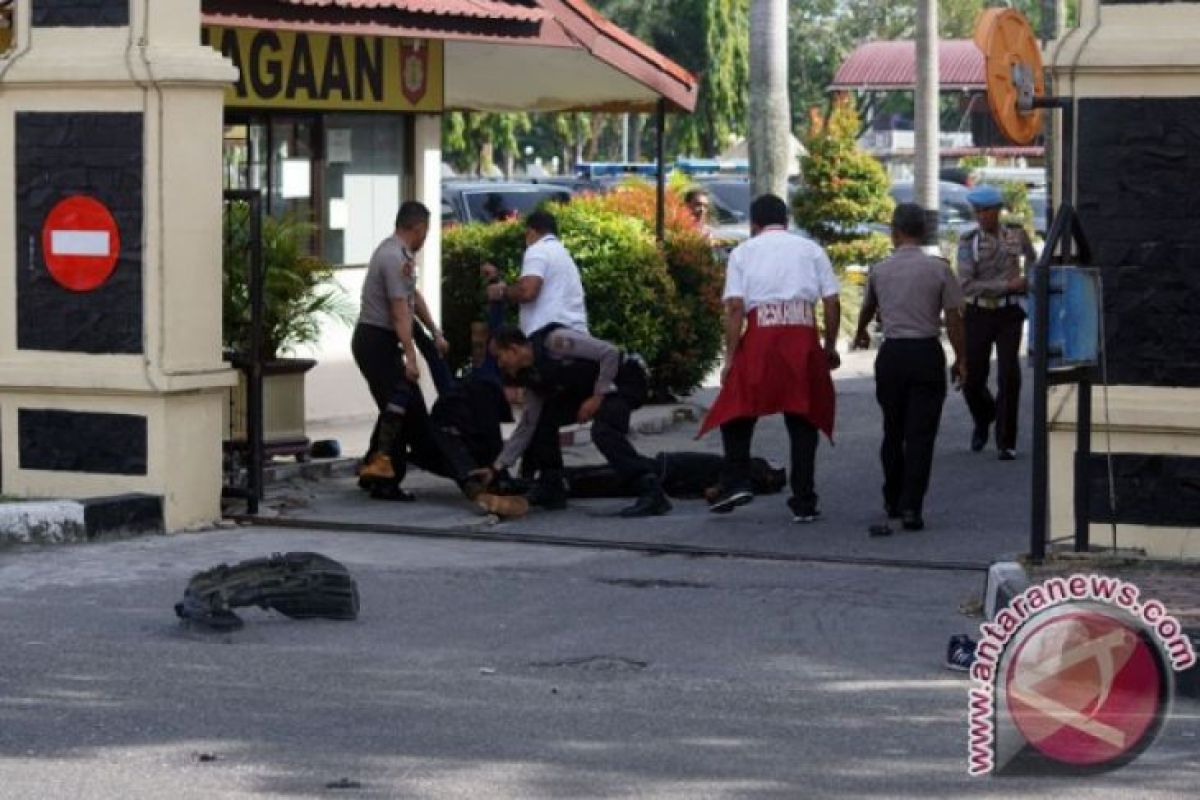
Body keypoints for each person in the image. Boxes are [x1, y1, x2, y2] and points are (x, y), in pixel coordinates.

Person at [698, 193, 840, 523]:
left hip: (762, 334)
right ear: (786, 221)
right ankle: (804, 499)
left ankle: (736, 480)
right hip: (802, 335)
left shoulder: (743, 253)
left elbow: (735, 308)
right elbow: (832, 303)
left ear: (754, 225)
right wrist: (829, 346)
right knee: (802, 418)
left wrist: (730, 358)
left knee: (736, 411)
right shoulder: (811, 249)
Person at [473, 325, 671, 518]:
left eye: (499, 356)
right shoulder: (532, 376)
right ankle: (552, 487)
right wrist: (496, 467)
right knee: (541, 422)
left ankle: (651, 490)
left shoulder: (555, 342)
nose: (499, 364)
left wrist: (598, 396)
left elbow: (610, 353)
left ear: (514, 349)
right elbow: (527, 425)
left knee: (604, 431)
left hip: (624, 380)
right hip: (592, 392)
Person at [853, 203, 967, 534]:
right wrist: (963, 359)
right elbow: (955, 319)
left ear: (895, 231)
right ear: (922, 232)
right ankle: (912, 507)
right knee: (921, 435)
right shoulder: (940, 269)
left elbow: (867, 308)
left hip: (892, 355)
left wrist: (860, 332)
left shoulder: (880, 269)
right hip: (925, 353)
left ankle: (892, 497)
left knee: (893, 429)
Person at [352, 201, 447, 499]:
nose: (426, 239)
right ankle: (385, 480)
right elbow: (399, 312)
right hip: (375, 342)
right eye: (426, 232)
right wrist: (411, 357)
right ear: (416, 228)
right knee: (401, 408)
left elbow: (412, 297)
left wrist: (434, 330)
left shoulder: (400, 255)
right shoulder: (393, 257)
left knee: (395, 406)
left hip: (380, 341)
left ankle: (374, 465)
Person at [957, 185, 1037, 461]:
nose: (981, 216)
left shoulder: (1015, 234)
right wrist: (1008, 284)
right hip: (978, 313)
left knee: (1009, 375)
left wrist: (1029, 280)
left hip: (1009, 313)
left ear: (998, 210)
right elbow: (967, 285)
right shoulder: (968, 243)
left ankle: (1006, 440)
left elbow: (1033, 260)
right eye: (977, 211)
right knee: (972, 379)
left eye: (987, 210)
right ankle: (984, 416)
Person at [483, 210, 588, 335]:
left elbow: (527, 292)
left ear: (531, 231)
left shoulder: (537, 249)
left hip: (548, 335)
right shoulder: (563, 253)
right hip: (575, 334)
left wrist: (501, 292)